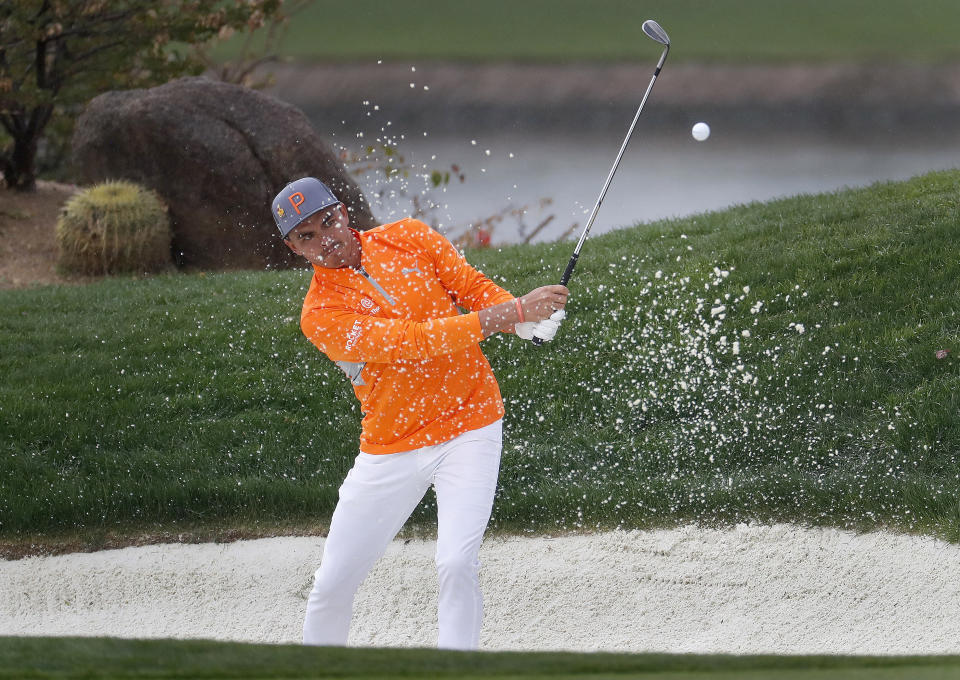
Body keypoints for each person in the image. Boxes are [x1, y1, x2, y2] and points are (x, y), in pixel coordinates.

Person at [271, 177, 568, 650]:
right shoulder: (321, 313)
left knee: (455, 563)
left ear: (344, 213)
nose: (324, 238)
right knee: (332, 583)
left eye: (327, 222)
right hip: (391, 447)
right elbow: (414, 343)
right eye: (307, 235)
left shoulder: (409, 236)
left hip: (471, 422)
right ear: (294, 248)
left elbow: (470, 287)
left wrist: (523, 323)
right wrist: (512, 312)